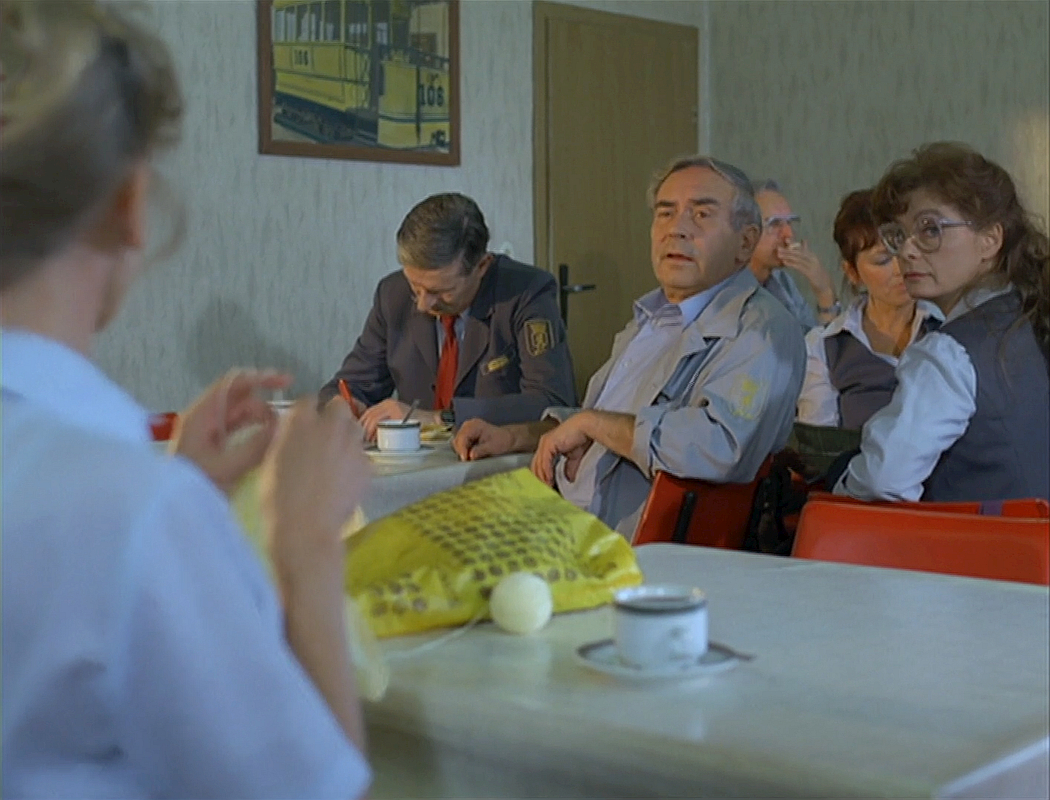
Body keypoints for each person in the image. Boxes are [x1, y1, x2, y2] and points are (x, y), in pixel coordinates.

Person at [1, 4, 371, 797]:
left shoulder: (132, 497)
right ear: (128, 204)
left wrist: (181, 484)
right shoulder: (136, 512)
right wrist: (306, 544)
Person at [452, 156, 807, 537]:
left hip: (635, 547)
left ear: (746, 241)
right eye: (665, 213)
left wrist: (593, 423)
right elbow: (599, 423)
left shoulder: (763, 330)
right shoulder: (651, 318)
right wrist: (516, 436)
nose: (677, 229)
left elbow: (719, 446)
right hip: (565, 522)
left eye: (702, 215)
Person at [834, 142, 1050, 502]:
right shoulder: (1026, 313)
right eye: (898, 234)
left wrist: (835, 488)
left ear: (990, 240)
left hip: (981, 536)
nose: (907, 251)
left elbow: (882, 480)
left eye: (930, 230)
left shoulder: (949, 352)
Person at [319, 192, 576, 440]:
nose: (423, 304)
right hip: (415, 463)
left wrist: (441, 418)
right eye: (415, 287)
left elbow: (552, 401)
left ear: (482, 266)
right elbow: (348, 385)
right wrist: (339, 407)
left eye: (440, 291)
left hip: (501, 462)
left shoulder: (526, 292)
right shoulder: (392, 294)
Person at [796, 188, 942, 429]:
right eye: (883, 260)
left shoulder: (949, 327)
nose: (901, 268)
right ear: (853, 272)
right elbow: (820, 442)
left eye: (906, 251)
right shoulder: (825, 347)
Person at [748, 180, 840, 331]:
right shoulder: (725, 290)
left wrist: (825, 294)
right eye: (775, 224)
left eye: (790, 222)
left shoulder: (783, 282)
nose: (788, 235)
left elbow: (811, 343)